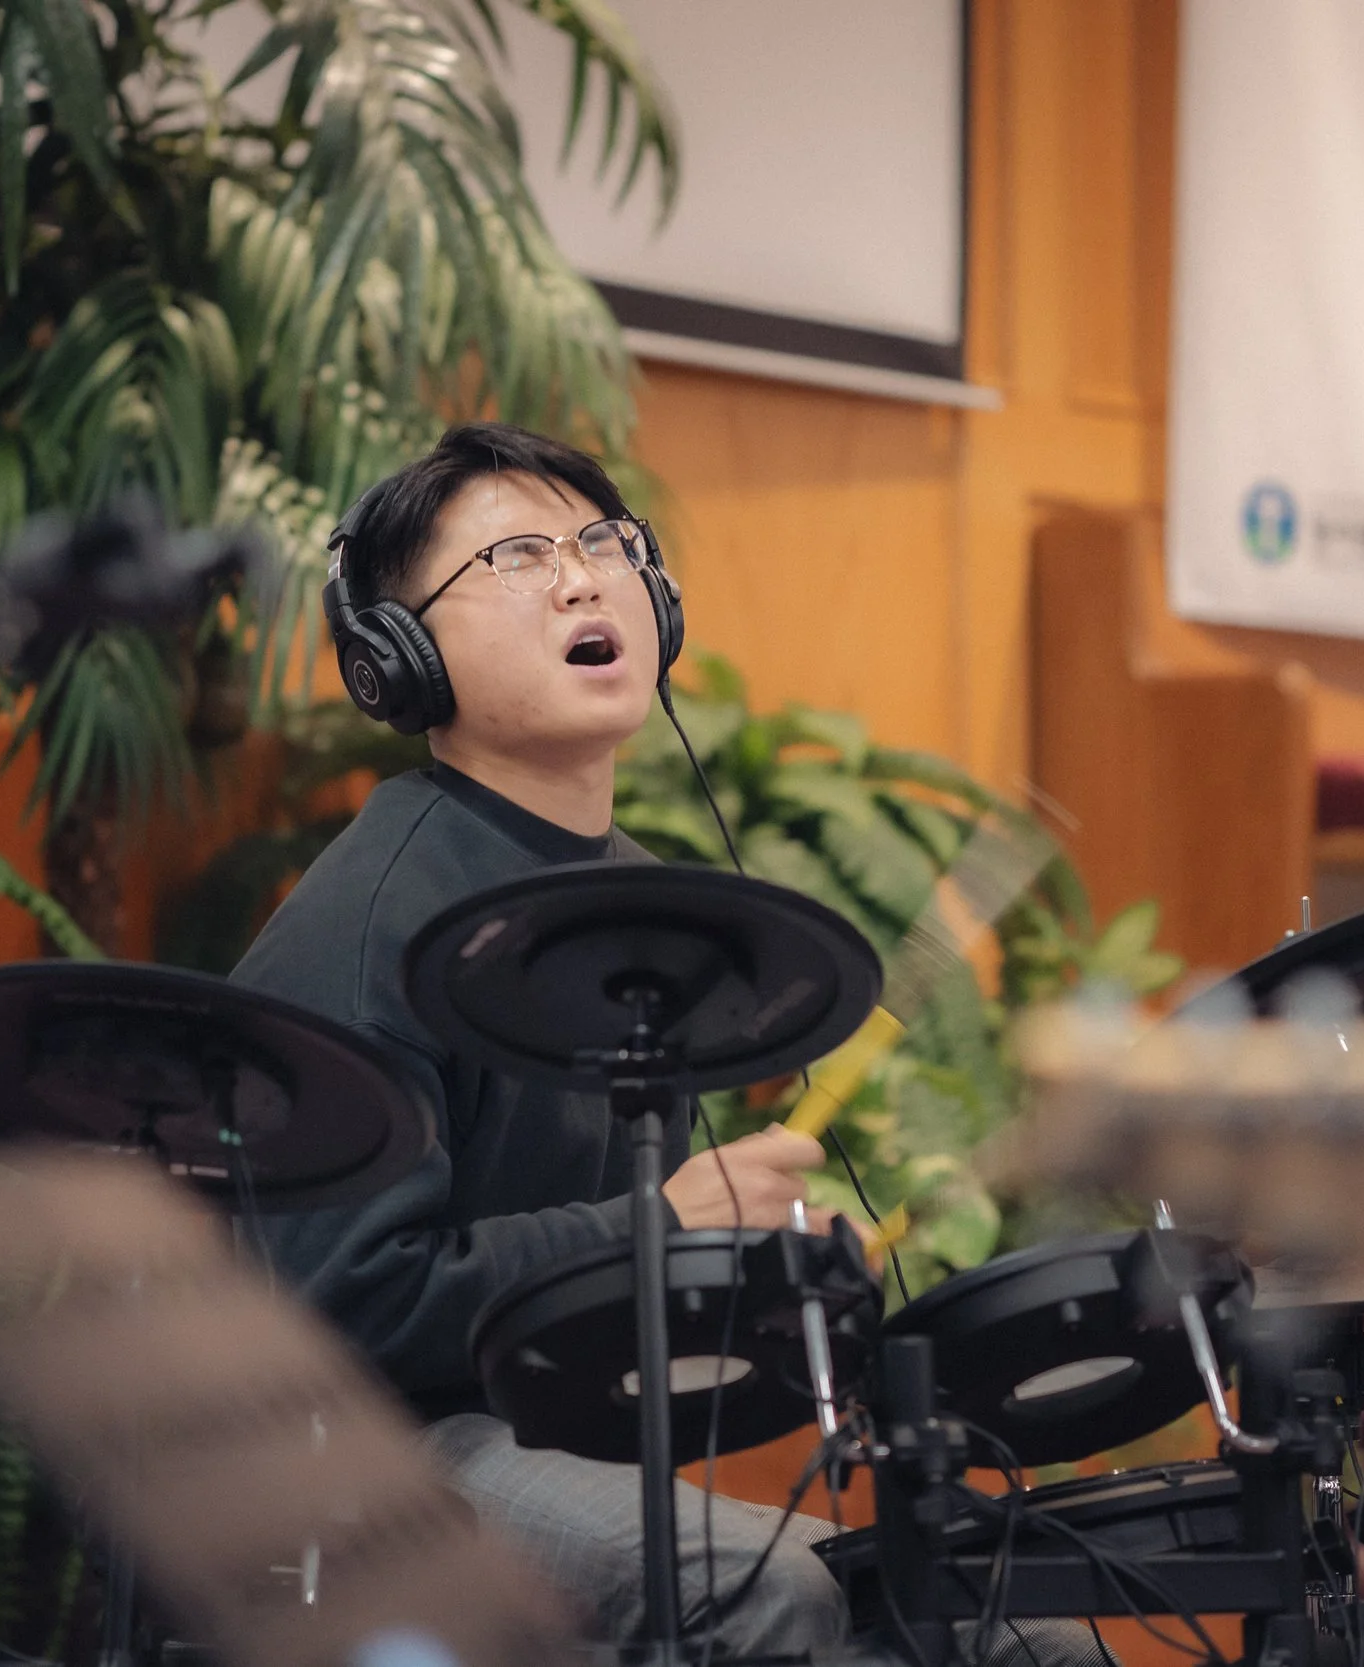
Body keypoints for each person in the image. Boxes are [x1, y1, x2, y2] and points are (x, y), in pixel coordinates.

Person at [233, 424, 1085, 1666]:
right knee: (766, 1590)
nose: (582, 578)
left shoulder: (640, 909)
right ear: (397, 655)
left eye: (605, 545)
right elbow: (344, 1301)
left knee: (1009, 1616)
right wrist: (659, 1222)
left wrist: (764, 1276)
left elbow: (617, 1296)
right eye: (517, 556)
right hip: (378, 1455)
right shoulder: (370, 917)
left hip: (566, 1445)